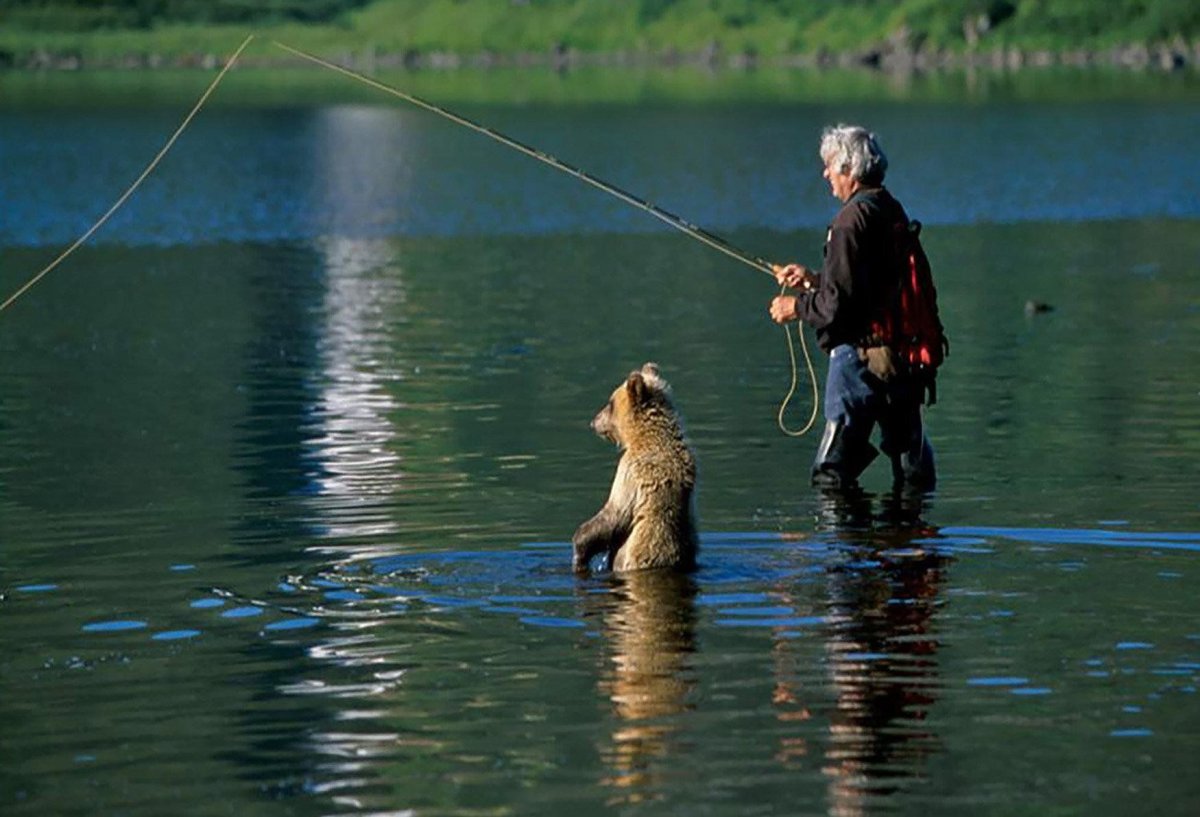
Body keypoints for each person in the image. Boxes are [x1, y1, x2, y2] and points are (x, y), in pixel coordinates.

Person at [769, 124, 936, 492]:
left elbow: (836, 309)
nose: (825, 174)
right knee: (912, 471)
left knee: (830, 475)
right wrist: (814, 279)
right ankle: (908, 544)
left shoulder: (848, 222)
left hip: (859, 360)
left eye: (830, 165)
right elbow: (867, 286)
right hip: (902, 357)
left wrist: (794, 307)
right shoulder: (887, 208)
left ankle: (850, 550)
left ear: (849, 170)